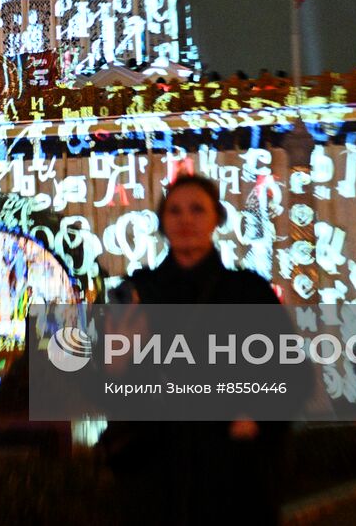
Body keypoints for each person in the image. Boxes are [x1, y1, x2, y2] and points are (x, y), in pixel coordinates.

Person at [103, 174, 290, 526]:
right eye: (175, 210)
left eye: (196, 209)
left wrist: (257, 413)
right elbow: (105, 385)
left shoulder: (248, 293)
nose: (186, 219)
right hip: (155, 469)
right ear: (162, 221)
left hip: (229, 468)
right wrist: (115, 366)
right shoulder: (134, 294)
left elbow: (290, 374)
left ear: (216, 218)